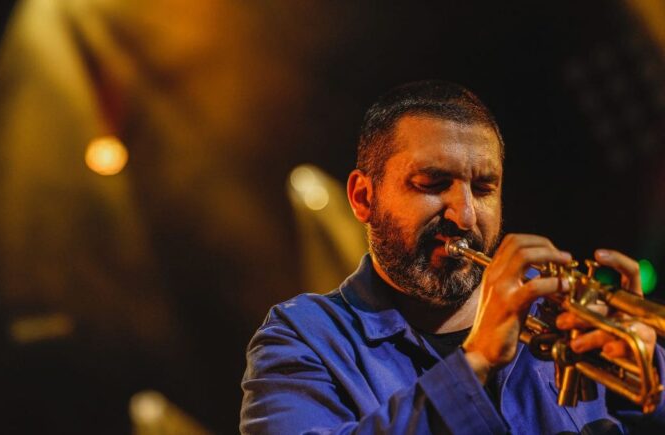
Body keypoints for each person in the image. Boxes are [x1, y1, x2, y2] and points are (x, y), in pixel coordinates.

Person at [240, 80, 665, 434]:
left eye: (483, 189)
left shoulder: (555, 311)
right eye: (431, 183)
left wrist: (649, 380)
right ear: (363, 197)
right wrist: (475, 360)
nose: (464, 216)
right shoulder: (302, 340)